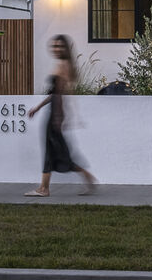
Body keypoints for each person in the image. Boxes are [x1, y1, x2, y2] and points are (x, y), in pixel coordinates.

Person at [24, 34, 98, 197]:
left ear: (65, 49)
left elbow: (60, 96)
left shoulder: (64, 66)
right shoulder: (62, 65)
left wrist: (58, 117)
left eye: (60, 46)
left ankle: (45, 188)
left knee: (57, 153)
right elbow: (54, 94)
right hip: (54, 113)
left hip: (55, 115)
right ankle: (46, 187)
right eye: (54, 46)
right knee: (54, 152)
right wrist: (38, 107)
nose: (57, 49)